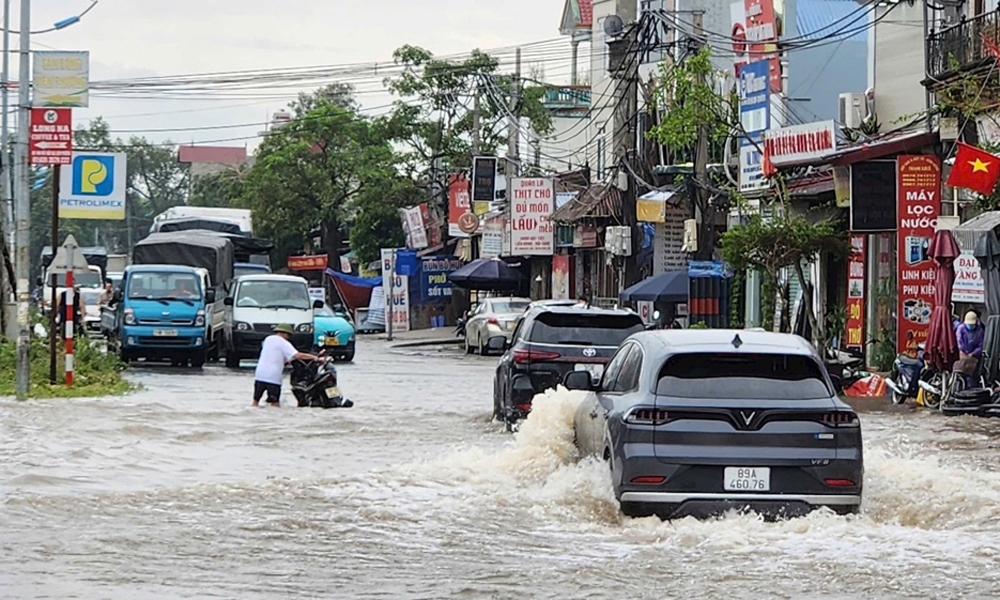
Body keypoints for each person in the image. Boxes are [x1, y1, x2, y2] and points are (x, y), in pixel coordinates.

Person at [253, 323, 323, 407]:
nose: (288, 337)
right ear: (285, 333)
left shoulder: (268, 339)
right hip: (273, 377)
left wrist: (286, 361)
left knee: (255, 401)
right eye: (289, 335)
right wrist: (314, 358)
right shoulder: (284, 343)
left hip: (259, 374)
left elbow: (274, 354)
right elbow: (297, 355)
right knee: (275, 404)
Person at [955, 310, 985, 386]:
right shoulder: (961, 329)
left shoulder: (979, 331)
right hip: (962, 355)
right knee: (960, 375)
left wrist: (973, 353)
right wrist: (962, 351)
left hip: (974, 357)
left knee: (972, 377)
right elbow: (959, 341)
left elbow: (981, 345)